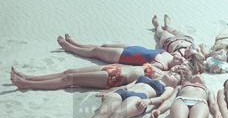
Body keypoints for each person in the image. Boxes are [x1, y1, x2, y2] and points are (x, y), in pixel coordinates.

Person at [67, 71, 181, 118]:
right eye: (172, 72)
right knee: (103, 112)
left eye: (175, 76)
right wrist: (109, 92)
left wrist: (149, 101)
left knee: (118, 114)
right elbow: (127, 86)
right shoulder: (147, 77)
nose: (172, 74)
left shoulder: (169, 88)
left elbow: (162, 99)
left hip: (139, 97)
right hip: (123, 92)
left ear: (175, 83)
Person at [10, 62, 186, 91]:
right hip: (115, 67)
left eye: (182, 69)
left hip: (115, 78)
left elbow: (136, 85)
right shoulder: (163, 69)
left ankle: (26, 84)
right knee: (69, 72)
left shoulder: (169, 82)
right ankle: (30, 77)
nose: (179, 67)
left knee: (69, 80)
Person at [56, 34, 187, 71]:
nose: (181, 58)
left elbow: (143, 70)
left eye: (181, 61)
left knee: (95, 51)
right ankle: (76, 43)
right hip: (132, 48)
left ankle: (70, 48)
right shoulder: (170, 55)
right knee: (103, 46)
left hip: (125, 56)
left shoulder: (161, 66)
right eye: (182, 59)